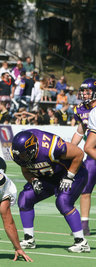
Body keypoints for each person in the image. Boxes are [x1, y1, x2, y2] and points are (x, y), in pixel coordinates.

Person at [11, 130, 90, 253]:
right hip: (49, 176)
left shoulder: (50, 146)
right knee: (25, 198)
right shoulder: (21, 153)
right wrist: (33, 180)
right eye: (20, 156)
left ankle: (81, 242)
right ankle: (29, 239)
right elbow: (26, 170)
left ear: (33, 149)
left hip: (73, 173)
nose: (21, 158)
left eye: (24, 155)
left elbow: (79, 154)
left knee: (63, 202)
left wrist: (70, 176)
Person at [75, 78, 96, 235]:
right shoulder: (81, 109)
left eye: (87, 91)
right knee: (85, 189)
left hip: (91, 149)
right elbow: (80, 131)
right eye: (83, 91)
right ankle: (84, 224)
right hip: (92, 154)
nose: (84, 94)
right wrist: (68, 148)